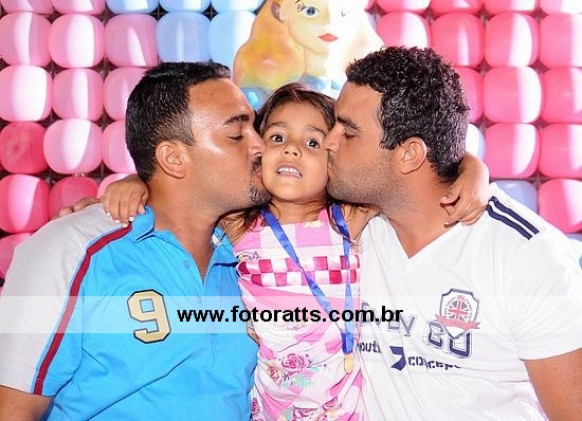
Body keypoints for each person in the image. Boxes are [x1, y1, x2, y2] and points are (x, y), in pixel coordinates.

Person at [86, 82, 489, 420]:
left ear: (335, 157)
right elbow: (180, 188)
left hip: (345, 409)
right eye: (277, 137)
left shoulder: (348, 217)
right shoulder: (239, 223)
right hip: (269, 408)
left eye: (312, 142)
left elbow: (416, 165)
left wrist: (473, 169)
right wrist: (135, 183)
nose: (292, 149)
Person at [0, 62, 270, 419]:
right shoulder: (72, 249)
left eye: (254, 128)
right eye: (237, 135)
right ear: (173, 158)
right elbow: (12, 409)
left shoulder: (258, 258)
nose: (260, 145)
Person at [324, 46, 582, 420]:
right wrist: (471, 164)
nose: (329, 141)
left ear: (409, 155)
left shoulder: (527, 257)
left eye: (348, 132)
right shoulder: (351, 228)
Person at [233, 0, 383, 107]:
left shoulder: (368, 86)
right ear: (279, 13)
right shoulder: (256, 93)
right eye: (310, 11)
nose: (329, 22)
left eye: (343, 13)